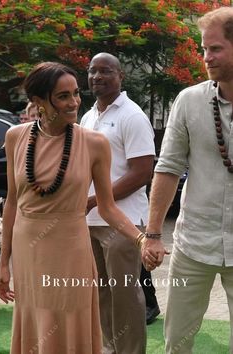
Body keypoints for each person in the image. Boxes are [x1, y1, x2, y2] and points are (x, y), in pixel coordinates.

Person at [0, 61, 158, 354]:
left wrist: (142, 238)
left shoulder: (94, 143)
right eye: (63, 96)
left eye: (75, 93)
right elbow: (11, 202)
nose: (74, 102)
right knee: (35, 318)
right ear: (38, 102)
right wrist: (3, 262)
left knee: (69, 317)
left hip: (71, 249)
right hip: (27, 249)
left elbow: (107, 207)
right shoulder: (15, 137)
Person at [146, 6, 233, 353]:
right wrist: (153, 234)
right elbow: (167, 167)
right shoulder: (189, 100)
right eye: (203, 49)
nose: (206, 57)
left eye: (215, 48)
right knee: (177, 342)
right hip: (192, 243)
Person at [80, 52, 160, 354]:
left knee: (125, 293)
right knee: (100, 291)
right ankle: (108, 348)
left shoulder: (132, 115)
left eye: (105, 71)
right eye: (92, 71)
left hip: (123, 223)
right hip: (90, 221)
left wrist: (94, 201)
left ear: (120, 76)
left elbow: (142, 173)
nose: (97, 77)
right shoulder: (88, 117)